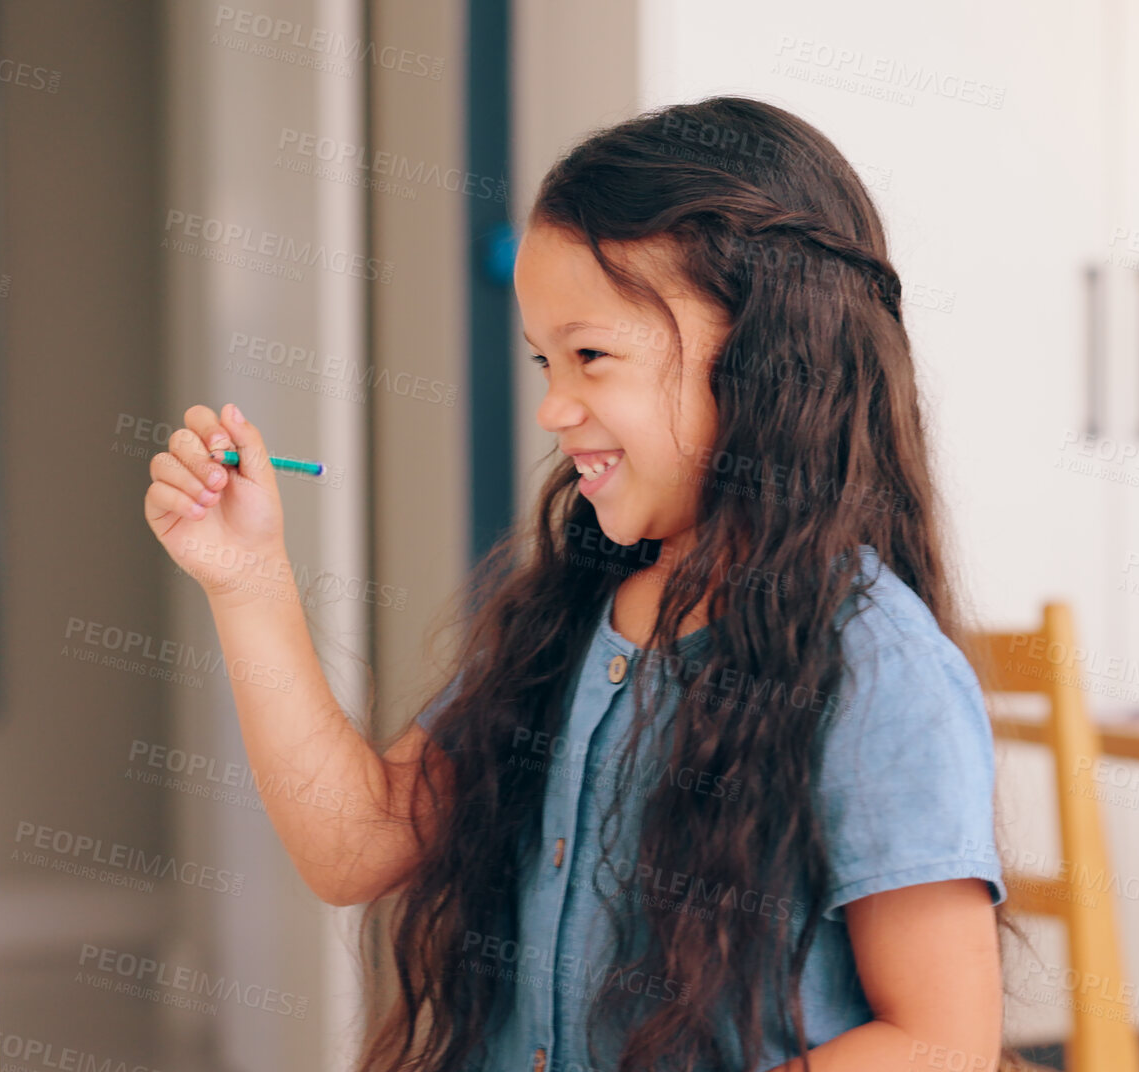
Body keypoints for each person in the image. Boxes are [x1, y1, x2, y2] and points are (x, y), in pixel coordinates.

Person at [143, 94, 1014, 1072]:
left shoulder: (875, 666)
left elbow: (941, 1041)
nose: (554, 405)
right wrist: (247, 577)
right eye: (542, 361)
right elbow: (355, 846)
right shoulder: (574, 614)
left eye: (591, 355)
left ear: (768, 355)